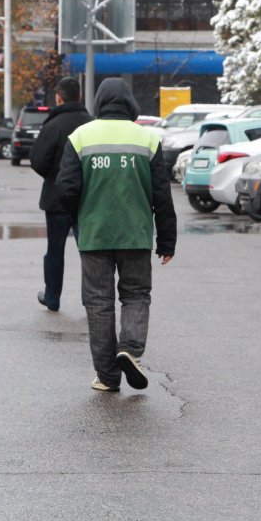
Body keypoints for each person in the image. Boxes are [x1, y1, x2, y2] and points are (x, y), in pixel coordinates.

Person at [56, 77, 176, 392]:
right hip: (135, 235)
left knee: (98, 302)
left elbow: (65, 188)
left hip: (94, 234)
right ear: (130, 103)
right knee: (136, 294)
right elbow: (162, 195)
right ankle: (131, 349)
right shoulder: (147, 139)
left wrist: (80, 218)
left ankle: (108, 376)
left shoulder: (80, 137)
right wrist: (167, 240)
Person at [29, 77, 93, 312]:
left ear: (58, 97)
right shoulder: (91, 125)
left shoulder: (53, 125)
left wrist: (54, 176)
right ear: (79, 96)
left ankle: (52, 297)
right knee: (88, 251)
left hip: (56, 199)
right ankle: (90, 299)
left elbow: (37, 160)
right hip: (86, 200)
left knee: (54, 251)